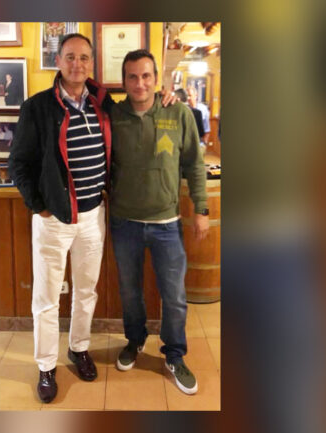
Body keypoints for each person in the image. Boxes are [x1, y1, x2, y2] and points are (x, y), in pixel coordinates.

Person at [8, 34, 178, 404]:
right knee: (46, 298)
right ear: (58, 61)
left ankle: (79, 348)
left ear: (91, 63)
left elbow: (140, 106)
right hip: (53, 219)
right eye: (70, 57)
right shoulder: (37, 107)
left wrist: (168, 96)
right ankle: (46, 366)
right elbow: (18, 163)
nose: (77, 64)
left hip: (93, 216)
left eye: (84, 57)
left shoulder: (102, 103)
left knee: (87, 291)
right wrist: (39, 206)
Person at [109, 49, 209, 395]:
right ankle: (135, 340)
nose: (140, 83)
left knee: (175, 296)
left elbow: (195, 164)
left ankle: (175, 355)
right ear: (124, 81)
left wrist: (201, 208)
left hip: (167, 223)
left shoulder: (177, 112)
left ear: (156, 79)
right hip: (124, 222)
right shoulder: (112, 115)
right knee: (130, 292)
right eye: (133, 77)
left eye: (146, 76)